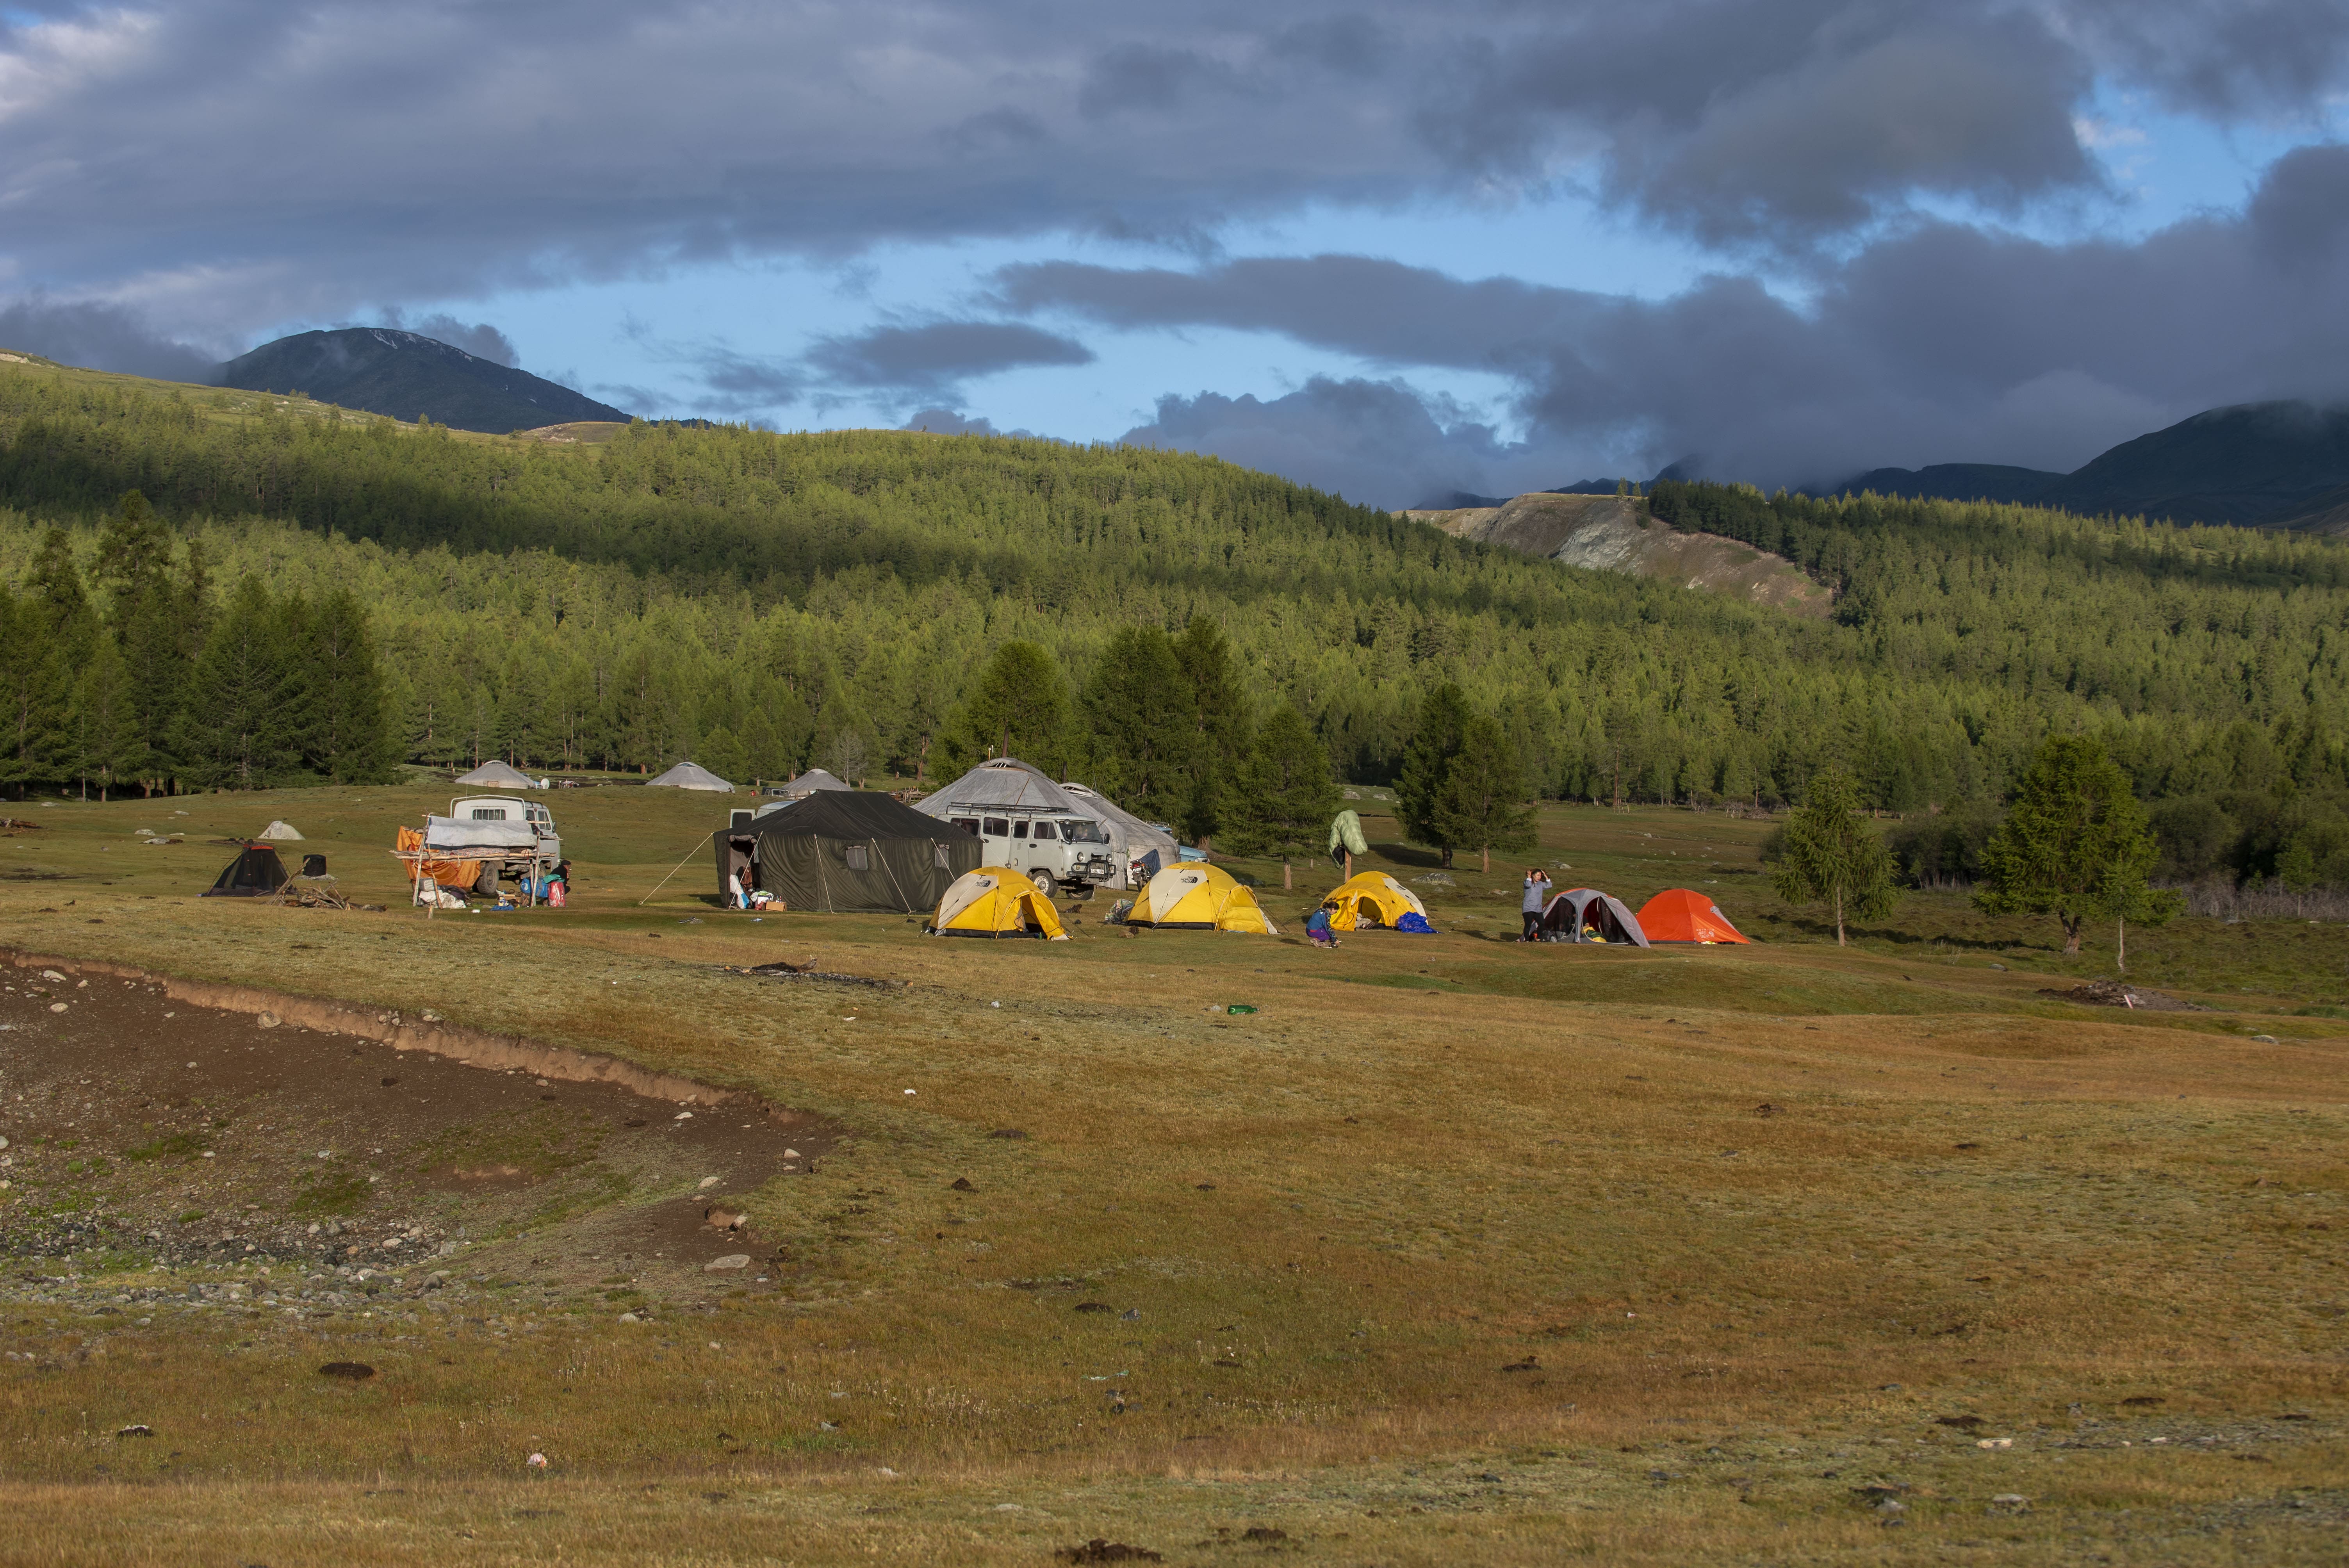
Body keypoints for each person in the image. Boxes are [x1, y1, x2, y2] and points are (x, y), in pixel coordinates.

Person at [1520, 867, 1551, 941]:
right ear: (1533, 875)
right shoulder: (1527, 882)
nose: (1539, 877)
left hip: (1538, 908)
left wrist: (1546, 876)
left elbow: (1549, 886)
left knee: (1542, 923)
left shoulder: (1540, 884)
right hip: (1528, 908)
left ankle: (1539, 938)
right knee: (1528, 924)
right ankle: (1527, 940)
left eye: (1540, 876)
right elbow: (1528, 885)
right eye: (1537, 875)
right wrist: (1528, 876)